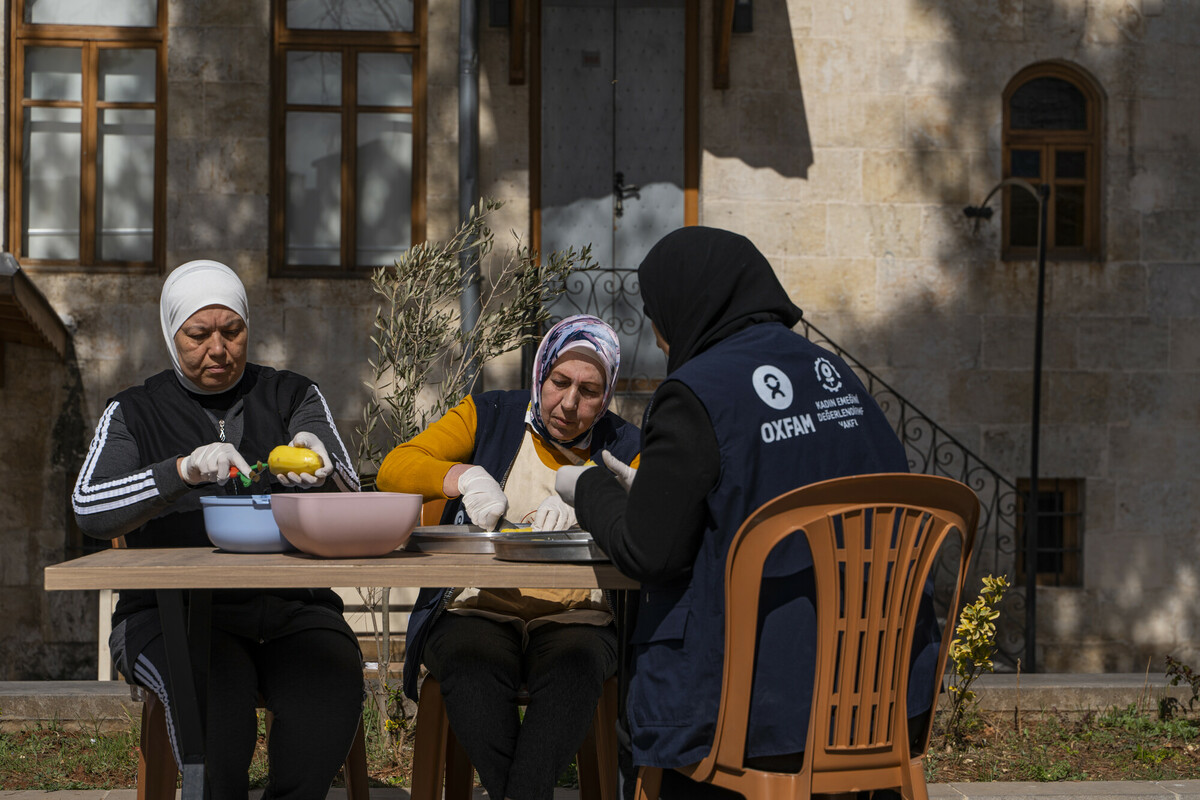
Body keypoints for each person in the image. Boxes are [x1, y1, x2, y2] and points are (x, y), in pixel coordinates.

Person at [557, 227, 942, 798]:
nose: (663, 342)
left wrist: (588, 486)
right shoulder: (838, 377)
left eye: (659, 320)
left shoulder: (695, 393)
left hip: (751, 716)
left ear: (687, 306)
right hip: (875, 704)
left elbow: (649, 552)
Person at [72, 260, 365, 798]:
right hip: (171, 616)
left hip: (292, 610)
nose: (218, 348)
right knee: (217, 721)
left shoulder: (291, 394)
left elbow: (351, 490)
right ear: (170, 333)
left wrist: (322, 461)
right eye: (198, 334)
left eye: (232, 331)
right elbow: (89, 507)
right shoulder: (134, 411)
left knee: (329, 684)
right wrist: (180, 471)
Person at [375, 314, 641, 800]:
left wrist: (593, 495)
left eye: (589, 391)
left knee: (575, 669)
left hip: (577, 616)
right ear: (540, 373)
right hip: (476, 602)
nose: (569, 403)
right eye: (559, 382)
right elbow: (394, 469)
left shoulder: (625, 446)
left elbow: (651, 510)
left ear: (607, 395)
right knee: (469, 660)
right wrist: (465, 477)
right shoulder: (490, 413)